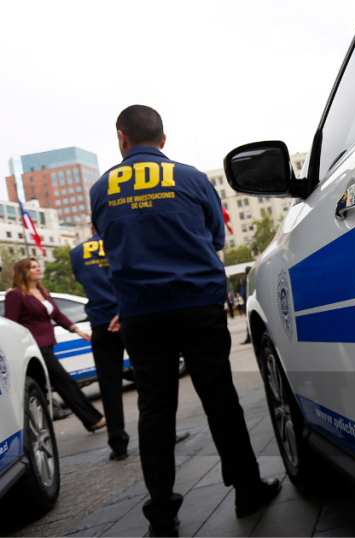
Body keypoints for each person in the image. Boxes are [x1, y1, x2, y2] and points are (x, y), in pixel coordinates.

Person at [91, 105, 278, 537]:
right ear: (163, 139)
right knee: (219, 395)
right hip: (196, 303)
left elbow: (107, 240)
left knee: (155, 409)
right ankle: (247, 490)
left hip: (139, 310)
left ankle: (161, 516)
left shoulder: (102, 189)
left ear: (121, 138)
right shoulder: (191, 178)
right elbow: (216, 237)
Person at [70, 231, 190, 461]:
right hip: (131, 315)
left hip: (100, 321)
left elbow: (81, 279)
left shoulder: (77, 252)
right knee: (149, 379)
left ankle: (118, 444)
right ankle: (164, 433)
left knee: (109, 385)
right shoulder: (122, 239)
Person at [4, 258, 106, 432]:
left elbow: (57, 315)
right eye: (33, 267)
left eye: (38, 266)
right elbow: (11, 322)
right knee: (65, 381)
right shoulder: (16, 295)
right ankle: (93, 419)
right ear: (24, 272)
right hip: (34, 346)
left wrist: (76, 330)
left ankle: (84, 421)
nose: (38, 269)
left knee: (53, 385)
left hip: (47, 343)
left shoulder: (42, 291)